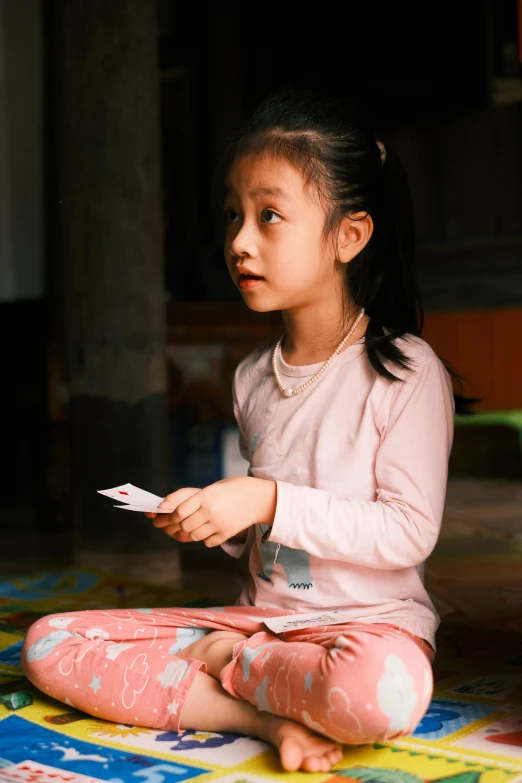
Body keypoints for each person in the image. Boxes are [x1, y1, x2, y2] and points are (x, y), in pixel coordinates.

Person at [22, 86, 480, 774]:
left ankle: (232, 669)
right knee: (47, 642)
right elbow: (271, 542)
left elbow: (408, 531)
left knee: (382, 693)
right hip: (259, 625)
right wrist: (217, 516)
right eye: (234, 214)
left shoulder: (406, 371)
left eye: (269, 216)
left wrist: (264, 499)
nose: (239, 240)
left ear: (349, 235)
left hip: (364, 632)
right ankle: (262, 716)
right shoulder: (251, 379)